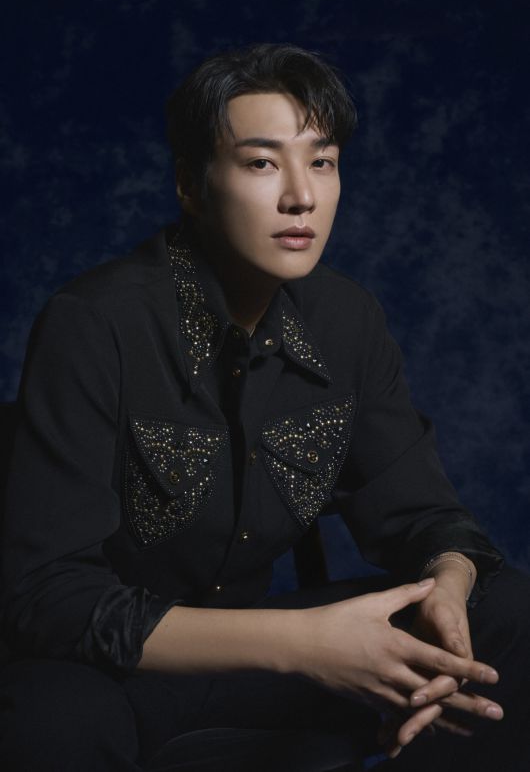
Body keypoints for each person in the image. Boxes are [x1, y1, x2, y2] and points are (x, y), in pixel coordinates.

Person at [0, 43, 528, 772]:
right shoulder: (95, 323)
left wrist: (449, 583)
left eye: (322, 161)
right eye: (260, 163)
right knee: (47, 719)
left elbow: (425, 515)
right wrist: (303, 644)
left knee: (508, 613)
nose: (300, 196)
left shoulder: (348, 320)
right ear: (191, 184)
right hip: (116, 675)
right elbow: (47, 597)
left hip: (265, 672)